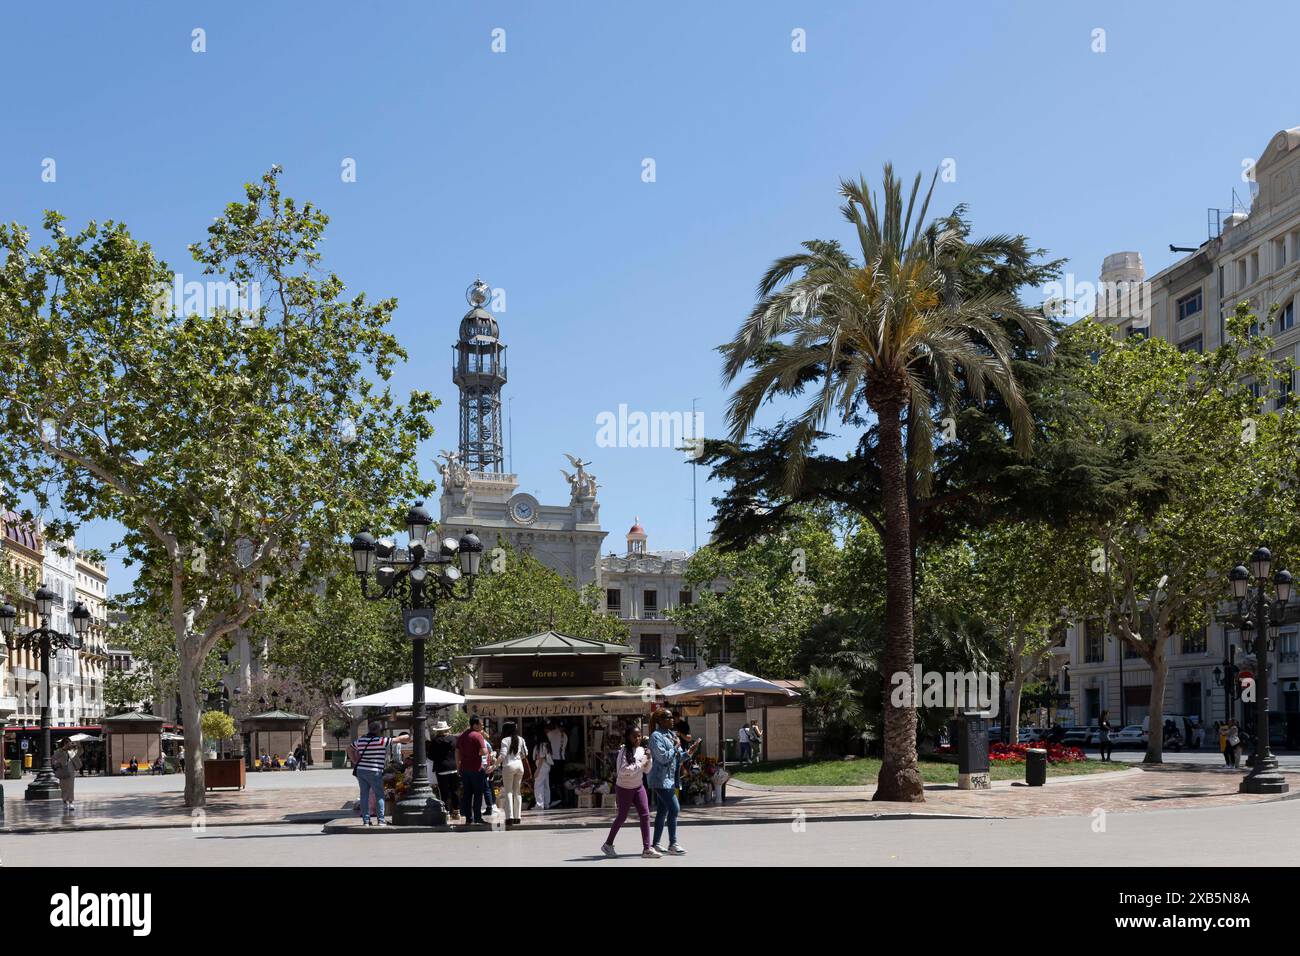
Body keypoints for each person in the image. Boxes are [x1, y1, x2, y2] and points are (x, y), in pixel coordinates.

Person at [601, 725, 658, 858]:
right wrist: (641, 763)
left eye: (639, 736)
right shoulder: (623, 752)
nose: (637, 739)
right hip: (624, 788)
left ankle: (647, 848)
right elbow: (623, 771)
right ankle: (607, 845)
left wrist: (649, 759)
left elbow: (647, 770)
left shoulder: (641, 750)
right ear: (628, 737)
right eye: (634, 736)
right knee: (622, 817)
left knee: (645, 815)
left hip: (638, 787)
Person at [648, 708, 697, 856]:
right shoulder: (656, 737)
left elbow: (678, 757)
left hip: (670, 779)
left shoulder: (671, 735)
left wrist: (689, 753)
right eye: (668, 718)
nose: (672, 720)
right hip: (660, 779)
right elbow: (662, 757)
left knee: (662, 811)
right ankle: (673, 843)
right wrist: (676, 746)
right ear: (660, 721)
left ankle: (656, 844)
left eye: (671, 717)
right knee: (675, 809)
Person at [350, 718, 410, 826]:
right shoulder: (382, 740)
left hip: (361, 771)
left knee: (364, 795)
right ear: (378, 730)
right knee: (379, 795)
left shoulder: (360, 741)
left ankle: (366, 821)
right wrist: (411, 734)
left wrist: (354, 760)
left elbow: (349, 749)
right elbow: (401, 738)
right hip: (374, 771)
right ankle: (381, 820)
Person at [496, 721, 531, 825]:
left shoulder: (505, 740)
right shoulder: (521, 739)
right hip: (519, 766)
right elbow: (525, 754)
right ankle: (518, 817)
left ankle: (509, 817)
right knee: (517, 792)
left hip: (508, 766)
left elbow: (502, 755)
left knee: (508, 792)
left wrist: (494, 765)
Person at [457, 716, 490, 825]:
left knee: (467, 794)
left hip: (464, 769)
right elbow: (484, 751)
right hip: (476, 768)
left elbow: (457, 752)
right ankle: (477, 817)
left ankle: (468, 818)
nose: (483, 726)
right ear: (475, 725)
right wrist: (478, 753)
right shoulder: (478, 736)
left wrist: (458, 766)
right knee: (478, 794)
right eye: (481, 724)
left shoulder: (462, 736)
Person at [429, 721, 461, 820]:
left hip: (441, 768)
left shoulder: (434, 741)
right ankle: (456, 811)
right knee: (455, 790)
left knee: (444, 791)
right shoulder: (454, 739)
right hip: (453, 767)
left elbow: (430, 755)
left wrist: (438, 759)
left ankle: (446, 812)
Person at [51, 737, 81, 811]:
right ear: (63, 743)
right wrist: (64, 749)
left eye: (68, 742)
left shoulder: (72, 751)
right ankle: (64, 801)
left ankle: (71, 802)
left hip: (71, 771)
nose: (67, 743)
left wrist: (78, 745)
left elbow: (80, 752)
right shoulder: (59, 751)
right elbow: (54, 757)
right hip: (62, 771)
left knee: (70, 787)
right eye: (66, 742)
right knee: (63, 787)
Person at [546, 720, 568, 808]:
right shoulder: (565, 736)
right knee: (561, 781)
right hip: (562, 759)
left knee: (552, 781)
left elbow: (547, 744)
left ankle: (554, 799)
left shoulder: (551, 733)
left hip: (553, 760)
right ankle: (563, 799)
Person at [531, 733, 554, 810]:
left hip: (542, 766)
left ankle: (539, 804)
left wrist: (537, 770)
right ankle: (546, 803)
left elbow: (541, 758)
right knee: (546, 785)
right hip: (547, 766)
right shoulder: (547, 745)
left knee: (538, 784)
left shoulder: (540, 746)